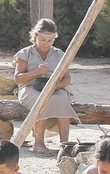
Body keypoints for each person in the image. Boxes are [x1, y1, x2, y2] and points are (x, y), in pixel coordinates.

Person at [14, 19, 77, 156]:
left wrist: (56, 87)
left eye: (49, 40)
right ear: (35, 36)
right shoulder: (25, 53)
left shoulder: (59, 54)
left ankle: (64, 144)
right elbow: (18, 78)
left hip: (54, 88)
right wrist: (36, 72)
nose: (45, 43)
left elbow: (67, 79)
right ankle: (38, 142)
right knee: (41, 100)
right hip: (30, 88)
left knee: (62, 98)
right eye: (42, 39)